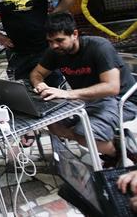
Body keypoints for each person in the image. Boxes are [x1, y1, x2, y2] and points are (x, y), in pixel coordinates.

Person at [30, 12, 137, 167]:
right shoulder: (56, 51)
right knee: (53, 124)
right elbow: (36, 73)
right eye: (50, 41)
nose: (54, 45)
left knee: (83, 134)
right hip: (86, 99)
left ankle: (120, 152)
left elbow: (111, 88)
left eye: (59, 40)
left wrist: (68, 94)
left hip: (121, 100)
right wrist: (40, 84)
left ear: (74, 34)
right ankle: (115, 143)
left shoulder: (99, 47)